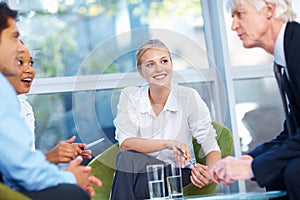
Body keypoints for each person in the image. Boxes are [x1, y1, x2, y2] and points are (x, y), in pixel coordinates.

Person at [0, 2, 101, 200]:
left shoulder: (23, 107)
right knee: (74, 194)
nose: (19, 48)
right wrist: (68, 178)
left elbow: (17, 167)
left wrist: (56, 166)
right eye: (15, 38)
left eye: (31, 63)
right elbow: (21, 170)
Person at [210, 0, 300, 199]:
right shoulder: (287, 54)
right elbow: (292, 132)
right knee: (277, 173)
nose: (233, 26)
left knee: (294, 172)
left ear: (269, 9)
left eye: (240, 14)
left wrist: (253, 167)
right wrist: (250, 158)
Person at [111, 39, 221, 199]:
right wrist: (169, 143)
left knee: (137, 180)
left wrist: (210, 173)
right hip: (142, 170)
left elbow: (211, 146)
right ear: (141, 71)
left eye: (164, 61)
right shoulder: (130, 97)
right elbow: (126, 143)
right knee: (127, 158)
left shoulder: (188, 97)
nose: (159, 68)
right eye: (150, 64)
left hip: (177, 171)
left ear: (171, 64)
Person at [6, 40, 92, 164]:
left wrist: (56, 157)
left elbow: (27, 167)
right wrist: (49, 158)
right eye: (20, 62)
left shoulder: (25, 109)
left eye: (31, 63)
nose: (29, 70)